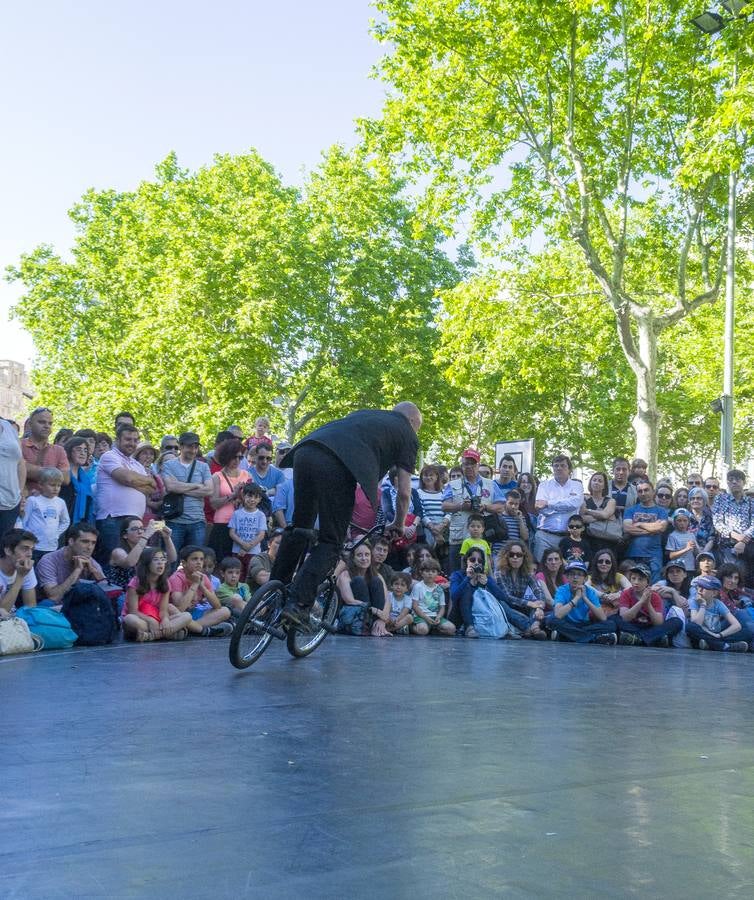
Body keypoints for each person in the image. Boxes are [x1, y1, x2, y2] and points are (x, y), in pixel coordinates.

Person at [271, 403, 422, 628]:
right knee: (331, 542)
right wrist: (398, 524)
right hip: (337, 465)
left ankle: (273, 593)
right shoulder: (407, 433)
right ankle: (297, 605)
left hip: (306, 451)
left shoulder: (366, 414)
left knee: (300, 529)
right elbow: (404, 492)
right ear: (412, 422)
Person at [95, 424, 156, 563]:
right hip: (112, 518)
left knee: (133, 562)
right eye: (128, 439)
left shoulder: (137, 464)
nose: (132, 443)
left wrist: (132, 481)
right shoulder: (109, 456)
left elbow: (151, 488)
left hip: (135, 521)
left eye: (135, 440)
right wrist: (140, 480)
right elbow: (127, 478)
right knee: (112, 561)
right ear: (117, 440)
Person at [442, 447, 503, 574]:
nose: (469, 466)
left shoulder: (490, 484)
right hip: (458, 537)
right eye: (466, 464)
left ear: (478, 464)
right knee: (456, 573)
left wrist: (485, 507)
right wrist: (460, 506)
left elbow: (501, 506)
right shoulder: (452, 484)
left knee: (482, 572)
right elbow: (444, 506)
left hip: (481, 538)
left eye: (472, 463)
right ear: (461, 465)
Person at [449, 546, 529, 638]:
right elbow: (454, 596)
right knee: (466, 590)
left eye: (479, 561)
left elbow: (504, 598)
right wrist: (467, 579)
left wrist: (488, 583)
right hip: (461, 616)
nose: (476, 563)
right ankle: (469, 627)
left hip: (484, 615)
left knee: (501, 603)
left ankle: (525, 627)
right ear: (466, 561)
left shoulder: (485, 577)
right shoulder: (457, 575)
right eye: (472, 560)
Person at [121, 546, 192, 642]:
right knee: (130, 619)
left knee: (186, 616)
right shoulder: (136, 582)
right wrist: (150, 621)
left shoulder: (165, 583)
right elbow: (133, 611)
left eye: (163, 559)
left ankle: (150, 636)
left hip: (157, 618)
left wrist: (165, 620)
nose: (160, 563)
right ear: (146, 563)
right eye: (155, 560)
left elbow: (163, 610)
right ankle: (168, 633)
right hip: (140, 619)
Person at [160, 432, 213, 553]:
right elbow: (170, 487)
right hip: (174, 521)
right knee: (170, 560)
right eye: (190, 446)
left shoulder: (203, 466)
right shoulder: (168, 465)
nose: (193, 450)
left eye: (196, 447)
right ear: (181, 446)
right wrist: (197, 486)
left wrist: (180, 487)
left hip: (197, 521)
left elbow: (209, 490)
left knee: (195, 562)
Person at [546, 560, 618, 644]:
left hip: (584, 624)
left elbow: (602, 617)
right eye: (572, 574)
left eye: (579, 574)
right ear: (567, 577)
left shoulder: (590, 591)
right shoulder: (562, 590)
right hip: (567, 623)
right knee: (551, 620)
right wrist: (576, 598)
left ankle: (566, 636)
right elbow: (558, 614)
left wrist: (585, 598)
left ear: (585, 578)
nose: (575, 577)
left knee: (611, 624)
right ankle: (593, 639)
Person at [167, 545, 233, 636]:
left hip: (194, 614)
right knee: (181, 614)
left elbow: (217, 605)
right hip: (178, 615)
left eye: (201, 559)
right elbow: (180, 608)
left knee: (225, 611)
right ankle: (202, 630)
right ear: (184, 563)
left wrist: (202, 587)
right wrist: (194, 584)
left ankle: (190, 628)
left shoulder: (203, 577)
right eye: (194, 559)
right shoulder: (176, 578)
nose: (199, 562)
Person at [36, 522, 109, 604]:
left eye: (93, 543)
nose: (90, 547)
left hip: (79, 607)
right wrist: (77, 570)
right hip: (54, 610)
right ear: (71, 541)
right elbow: (54, 597)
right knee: (47, 603)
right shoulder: (49, 561)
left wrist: (94, 572)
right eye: (85, 542)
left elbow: (109, 594)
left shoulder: (91, 562)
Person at [104, 517, 177, 593]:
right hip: (120, 594)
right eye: (135, 529)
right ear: (125, 535)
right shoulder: (118, 552)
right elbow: (130, 563)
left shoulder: (147, 549)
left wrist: (167, 538)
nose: (140, 532)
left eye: (142, 528)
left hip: (141, 592)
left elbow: (172, 558)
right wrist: (145, 536)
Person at [617, 562, 682, 647]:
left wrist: (648, 604)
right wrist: (641, 602)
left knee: (676, 622)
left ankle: (638, 639)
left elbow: (658, 623)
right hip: (632, 626)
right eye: (633, 578)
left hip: (650, 627)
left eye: (640, 579)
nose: (636, 582)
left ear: (647, 582)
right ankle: (653, 639)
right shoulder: (626, 593)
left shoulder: (655, 596)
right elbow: (624, 618)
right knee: (615, 620)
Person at [533, 454, 584, 562]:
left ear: (569, 469)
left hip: (568, 538)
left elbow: (574, 504)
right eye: (556, 466)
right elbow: (541, 508)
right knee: (541, 569)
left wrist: (549, 503)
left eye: (563, 465)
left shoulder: (577, 486)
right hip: (545, 536)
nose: (559, 468)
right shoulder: (544, 485)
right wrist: (565, 506)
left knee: (567, 570)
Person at [208, 438, 250, 561]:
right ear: (226, 457)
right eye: (234, 457)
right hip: (222, 524)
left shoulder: (247, 475)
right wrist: (233, 495)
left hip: (242, 523)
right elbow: (213, 503)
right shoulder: (216, 477)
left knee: (240, 562)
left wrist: (242, 496)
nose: (237, 460)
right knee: (221, 561)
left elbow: (254, 499)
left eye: (240, 457)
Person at [336, 541, 390, 636]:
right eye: (359, 555)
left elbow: (387, 600)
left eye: (367, 554)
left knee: (376, 581)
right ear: (353, 558)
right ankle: (366, 626)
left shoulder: (377, 575)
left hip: (373, 615)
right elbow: (350, 601)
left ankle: (376, 627)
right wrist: (375, 610)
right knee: (359, 581)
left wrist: (382, 619)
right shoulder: (345, 575)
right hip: (353, 618)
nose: (364, 558)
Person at [686, 575, 750, 652]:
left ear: (714, 593)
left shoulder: (718, 603)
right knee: (690, 627)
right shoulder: (694, 601)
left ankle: (710, 645)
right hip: (700, 636)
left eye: (704, 588)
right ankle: (725, 646)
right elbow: (696, 624)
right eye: (699, 587)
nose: (699, 590)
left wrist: (719, 635)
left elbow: (737, 625)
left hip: (715, 635)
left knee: (747, 631)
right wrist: (703, 605)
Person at [712, 469, 754, 584]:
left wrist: (743, 540)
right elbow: (717, 522)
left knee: (748, 579)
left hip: (748, 545)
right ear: (727, 483)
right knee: (732, 577)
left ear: (744, 482)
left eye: (738, 480)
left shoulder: (751, 502)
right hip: (727, 545)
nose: (734, 482)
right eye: (731, 480)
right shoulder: (720, 499)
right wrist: (736, 536)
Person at [623, 480, 668, 582]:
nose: (643, 493)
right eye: (640, 491)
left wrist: (639, 524)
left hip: (654, 555)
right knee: (633, 585)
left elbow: (661, 528)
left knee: (654, 585)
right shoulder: (631, 510)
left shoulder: (661, 511)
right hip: (634, 553)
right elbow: (627, 528)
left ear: (653, 491)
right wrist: (651, 529)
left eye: (646, 490)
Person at [22, 468, 69, 560]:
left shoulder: (61, 502)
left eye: (59, 485)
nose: (56, 488)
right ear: (41, 485)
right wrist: (28, 536)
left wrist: (56, 534)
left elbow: (65, 521)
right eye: (52, 485)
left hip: (51, 546)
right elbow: (24, 520)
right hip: (34, 546)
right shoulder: (33, 500)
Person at [21, 407, 70, 495]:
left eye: (50, 423)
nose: (47, 426)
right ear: (30, 424)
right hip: (22, 503)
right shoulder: (18, 445)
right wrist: (54, 473)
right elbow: (16, 469)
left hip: (49, 505)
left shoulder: (59, 450)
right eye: (41, 422)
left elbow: (66, 479)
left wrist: (28, 469)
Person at [228, 483, 268, 581]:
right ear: (244, 496)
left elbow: (261, 534)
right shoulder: (237, 514)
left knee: (250, 576)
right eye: (249, 496)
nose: (252, 500)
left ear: (259, 499)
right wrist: (242, 544)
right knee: (237, 575)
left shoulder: (261, 515)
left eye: (256, 497)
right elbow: (232, 533)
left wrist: (248, 546)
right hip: (237, 551)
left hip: (254, 552)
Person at [410, 558, 455, 636]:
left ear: (437, 573)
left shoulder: (439, 589)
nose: (430, 574)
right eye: (427, 571)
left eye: (433, 571)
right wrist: (426, 618)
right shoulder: (418, 587)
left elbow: (442, 607)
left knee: (451, 629)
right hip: (420, 616)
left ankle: (433, 629)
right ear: (421, 572)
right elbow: (415, 606)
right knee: (422, 630)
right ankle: (410, 627)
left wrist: (439, 617)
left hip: (434, 616)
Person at [0, 529, 38, 617]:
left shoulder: (25, 566)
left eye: (32, 549)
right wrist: (20, 577)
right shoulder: (23, 571)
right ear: (8, 551)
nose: (30, 554)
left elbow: (31, 607)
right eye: (25, 549)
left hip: (14, 617)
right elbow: (1, 614)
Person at [587, 548, 629, 623]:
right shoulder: (590, 577)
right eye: (600, 561)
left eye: (607, 562)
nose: (604, 564)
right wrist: (603, 595)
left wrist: (618, 594)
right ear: (596, 563)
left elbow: (630, 587)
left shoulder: (618, 576)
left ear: (612, 564)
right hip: (596, 613)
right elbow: (586, 586)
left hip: (615, 612)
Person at [59, 436, 95, 524]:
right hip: (62, 521)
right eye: (79, 449)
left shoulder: (85, 479)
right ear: (69, 451)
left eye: (85, 450)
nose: (83, 453)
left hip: (81, 524)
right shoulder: (62, 474)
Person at [0, 416, 25, 536]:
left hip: (11, 502)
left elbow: (20, 463)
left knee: (5, 549)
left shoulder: (8, 427)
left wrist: (20, 493)